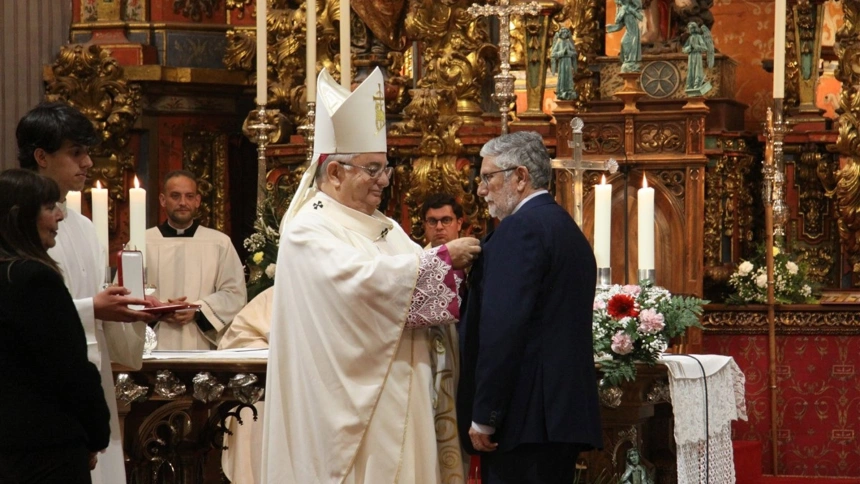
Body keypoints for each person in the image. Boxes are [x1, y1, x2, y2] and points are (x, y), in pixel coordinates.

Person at [262, 67, 480, 483]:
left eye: (386, 169)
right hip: (352, 410)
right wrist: (441, 259)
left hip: (404, 389)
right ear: (335, 172)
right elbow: (359, 288)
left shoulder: (386, 226)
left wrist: (444, 265)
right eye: (372, 169)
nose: (384, 181)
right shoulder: (308, 230)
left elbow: (416, 287)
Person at [17, 102, 153, 484]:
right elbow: (18, 315)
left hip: (92, 385)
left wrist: (133, 307)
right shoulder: (14, 223)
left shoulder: (83, 225)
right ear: (41, 156)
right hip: (40, 402)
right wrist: (94, 307)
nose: (88, 163)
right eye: (76, 153)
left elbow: (97, 299)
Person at [457, 131, 602, 483]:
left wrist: (485, 415)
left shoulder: (520, 230)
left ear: (520, 177)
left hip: (525, 419)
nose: (480, 190)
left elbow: (503, 329)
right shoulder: (564, 227)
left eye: (488, 177)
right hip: (555, 418)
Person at [0, 168, 111, 483]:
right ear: (20, 217)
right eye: (49, 207)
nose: (60, 216)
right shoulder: (35, 280)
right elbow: (70, 369)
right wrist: (95, 434)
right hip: (44, 450)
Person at [146, 170, 247, 349]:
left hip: (200, 344)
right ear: (163, 200)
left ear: (197, 201)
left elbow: (235, 294)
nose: (183, 203)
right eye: (175, 196)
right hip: (153, 341)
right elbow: (127, 293)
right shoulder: (142, 242)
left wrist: (198, 310)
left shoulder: (219, 243)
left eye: (189, 196)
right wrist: (158, 311)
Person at [606, 0, 644, 72]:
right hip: (628, 31)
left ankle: (631, 62)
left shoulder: (629, 9)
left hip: (633, 31)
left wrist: (631, 10)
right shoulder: (622, 9)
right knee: (623, 42)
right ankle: (627, 61)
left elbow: (641, 17)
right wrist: (610, 29)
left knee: (627, 43)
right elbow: (618, 22)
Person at [682, 22, 714, 96]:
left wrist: (696, 46)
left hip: (697, 56)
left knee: (697, 70)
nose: (689, 30)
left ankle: (697, 85)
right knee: (691, 71)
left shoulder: (699, 37)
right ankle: (690, 85)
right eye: (689, 28)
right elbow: (684, 49)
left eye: (690, 28)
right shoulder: (690, 38)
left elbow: (705, 48)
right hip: (691, 56)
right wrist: (689, 48)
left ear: (694, 28)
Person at [550, 27, 578, 101]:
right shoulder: (559, 42)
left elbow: (575, 53)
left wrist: (568, 53)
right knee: (562, 76)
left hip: (568, 62)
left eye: (566, 32)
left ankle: (569, 91)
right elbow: (553, 54)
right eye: (563, 32)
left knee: (568, 76)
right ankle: (562, 91)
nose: (565, 34)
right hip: (562, 62)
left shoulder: (569, 42)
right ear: (561, 34)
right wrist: (562, 53)